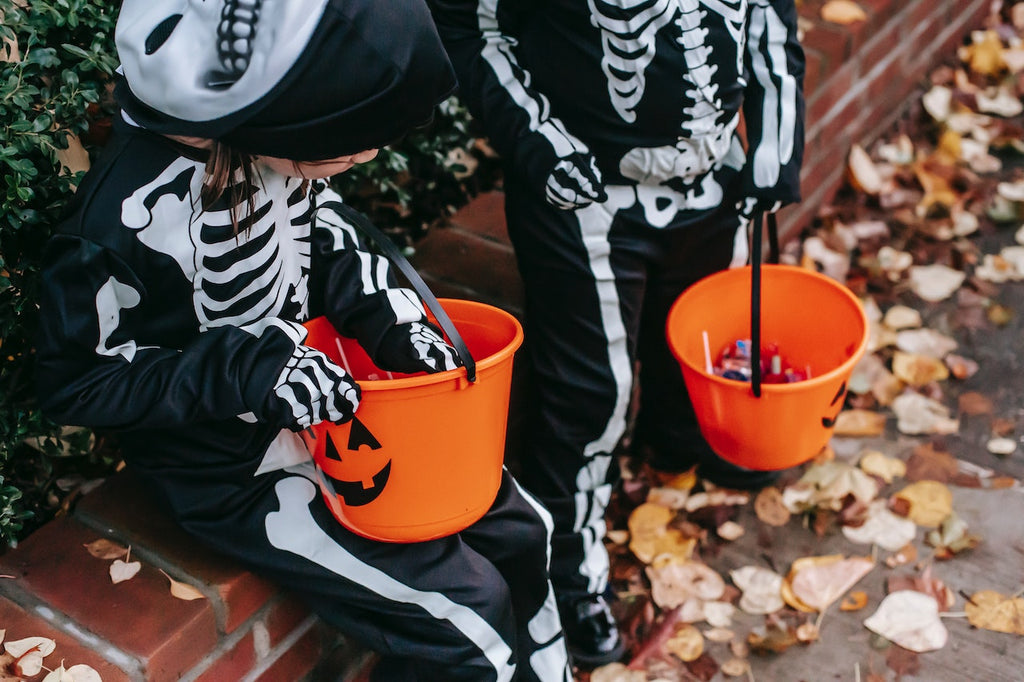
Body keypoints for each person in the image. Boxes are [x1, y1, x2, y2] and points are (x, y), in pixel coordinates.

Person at [33, 1, 573, 680]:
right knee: (467, 621)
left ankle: (550, 670)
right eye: (346, 141)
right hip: (239, 475)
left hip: (340, 419)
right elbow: (77, 382)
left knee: (525, 528)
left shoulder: (270, 152)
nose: (368, 155)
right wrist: (246, 370)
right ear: (264, 116)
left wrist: (392, 319)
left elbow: (331, 239)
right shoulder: (119, 225)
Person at [426, 0, 806, 667]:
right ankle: (567, 573)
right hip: (589, 195)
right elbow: (466, 23)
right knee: (589, 393)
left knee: (699, 344)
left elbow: (772, 19)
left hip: (715, 178)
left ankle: (680, 442)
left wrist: (775, 143)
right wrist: (539, 141)